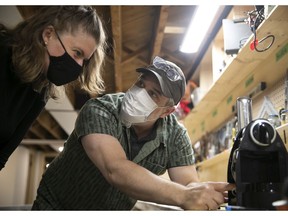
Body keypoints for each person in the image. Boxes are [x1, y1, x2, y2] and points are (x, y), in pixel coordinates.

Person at [32, 56, 234, 210]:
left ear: (167, 111)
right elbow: (116, 169)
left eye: (153, 93)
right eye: (140, 83)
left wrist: (204, 195)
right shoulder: (99, 110)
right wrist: (185, 196)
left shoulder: (175, 134)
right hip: (56, 206)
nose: (139, 93)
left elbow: (189, 184)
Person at [0, 6, 107, 171]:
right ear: (48, 35)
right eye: (77, 53)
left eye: (84, 60)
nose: (79, 66)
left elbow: (4, 153)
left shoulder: (41, 89)